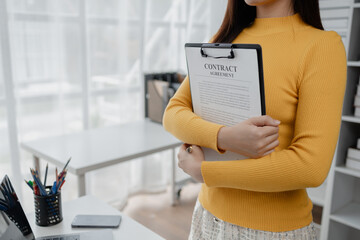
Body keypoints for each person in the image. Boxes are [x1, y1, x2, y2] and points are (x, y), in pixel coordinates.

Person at [163, 0, 347, 239]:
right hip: (206, 216)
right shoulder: (223, 39)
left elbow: (310, 167)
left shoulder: (321, 46)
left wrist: (206, 172)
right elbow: (173, 112)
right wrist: (224, 137)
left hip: (273, 231)